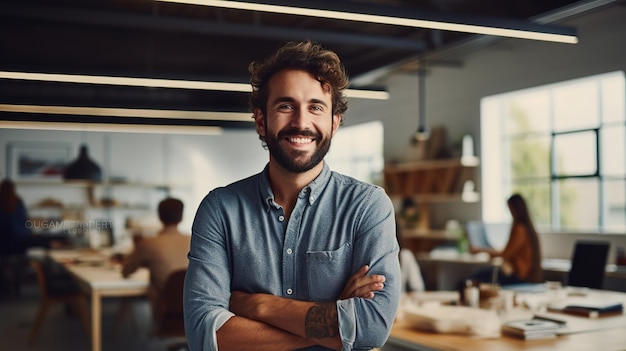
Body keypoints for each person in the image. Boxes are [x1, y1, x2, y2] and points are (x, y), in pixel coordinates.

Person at [184, 40, 401, 351]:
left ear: (334, 123)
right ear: (261, 120)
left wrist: (259, 307)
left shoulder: (367, 206)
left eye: (316, 107)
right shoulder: (220, 210)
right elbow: (204, 334)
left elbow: (372, 327)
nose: (301, 122)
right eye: (286, 106)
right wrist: (336, 320)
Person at [121, 197, 190, 312]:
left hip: (166, 310)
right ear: (182, 217)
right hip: (194, 309)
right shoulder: (194, 241)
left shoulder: (148, 243)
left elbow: (126, 271)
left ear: (159, 217)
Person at [469, 194, 543, 285]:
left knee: (476, 276)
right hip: (519, 273)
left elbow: (505, 254)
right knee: (480, 275)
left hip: (519, 275)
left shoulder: (520, 229)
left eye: (511, 209)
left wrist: (479, 250)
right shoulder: (525, 228)